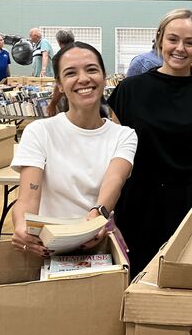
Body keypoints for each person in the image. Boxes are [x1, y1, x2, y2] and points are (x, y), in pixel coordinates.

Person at [107, 9, 192, 276]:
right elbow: (110, 156)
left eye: (189, 42)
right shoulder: (129, 90)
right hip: (135, 202)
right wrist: (103, 206)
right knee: (132, 279)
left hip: (185, 204)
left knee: (179, 279)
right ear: (160, 40)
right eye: (173, 39)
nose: (180, 48)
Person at [10, 42, 138, 257]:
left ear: (104, 77)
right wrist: (22, 227)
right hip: (47, 247)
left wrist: (99, 215)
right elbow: (28, 197)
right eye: (71, 73)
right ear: (60, 84)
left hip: (99, 244)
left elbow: (114, 181)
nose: (83, 79)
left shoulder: (124, 135)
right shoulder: (39, 132)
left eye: (91, 69)